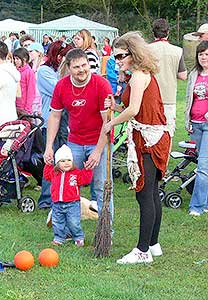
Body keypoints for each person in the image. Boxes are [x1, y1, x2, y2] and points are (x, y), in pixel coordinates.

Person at [103, 32, 170, 264]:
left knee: (145, 193)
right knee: (151, 192)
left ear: (133, 53)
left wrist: (111, 122)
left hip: (149, 138)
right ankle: (153, 244)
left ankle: (142, 250)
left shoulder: (139, 76)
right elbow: (131, 105)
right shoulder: (138, 76)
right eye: (115, 56)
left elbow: (133, 111)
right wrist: (116, 103)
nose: (117, 59)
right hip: (150, 135)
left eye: (121, 55)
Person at [43, 48, 113, 220]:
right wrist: (49, 147)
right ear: (69, 68)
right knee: (67, 181)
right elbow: (54, 116)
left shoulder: (101, 84)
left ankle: (105, 231)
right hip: (75, 141)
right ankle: (68, 226)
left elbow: (108, 122)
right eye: (76, 67)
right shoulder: (62, 86)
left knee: (101, 186)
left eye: (84, 65)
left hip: (99, 141)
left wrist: (97, 152)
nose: (81, 70)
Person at [37, 41, 74, 209]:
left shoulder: (57, 73)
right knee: (50, 160)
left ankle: (62, 194)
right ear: (59, 56)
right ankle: (46, 199)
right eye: (66, 57)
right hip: (49, 123)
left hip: (65, 122)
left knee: (64, 160)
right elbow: (61, 90)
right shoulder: (44, 71)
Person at [44, 144, 93, 246]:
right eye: (62, 161)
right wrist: (48, 164)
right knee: (57, 223)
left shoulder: (76, 173)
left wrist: (87, 170)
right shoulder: (54, 173)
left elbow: (85, 180)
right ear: (57, 163)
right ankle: (59, 238)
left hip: (72, 203)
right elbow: (46, 175)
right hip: (57, 203)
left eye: (68, 160)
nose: (66, 163)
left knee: (74, 222)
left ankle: (78, 237)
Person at [149, 18, 187, 139]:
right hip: (169, 100)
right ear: (168, 32)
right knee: (167, 135)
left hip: (150, 99)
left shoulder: (146, 50)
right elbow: (183, 75)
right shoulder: (177, 51)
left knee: (149, 136)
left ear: (153, 32)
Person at [184, 40, 208, 216]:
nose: (204, 57)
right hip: (196, 123)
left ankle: (197, 207)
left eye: (207, 54)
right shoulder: (194, 74)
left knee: (202, 166)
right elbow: (188, 98)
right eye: (201, 54)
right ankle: (205, 202)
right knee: (205, 165)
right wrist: (188, 120)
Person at [13, 47, 36, 116]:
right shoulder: (15, 71)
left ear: (24, 59)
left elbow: (31, 92)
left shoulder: (29, 72)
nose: (15, 61)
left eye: (17, 59)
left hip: (23, 107)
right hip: (15, 104)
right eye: (14, 59)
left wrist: (27, 109)